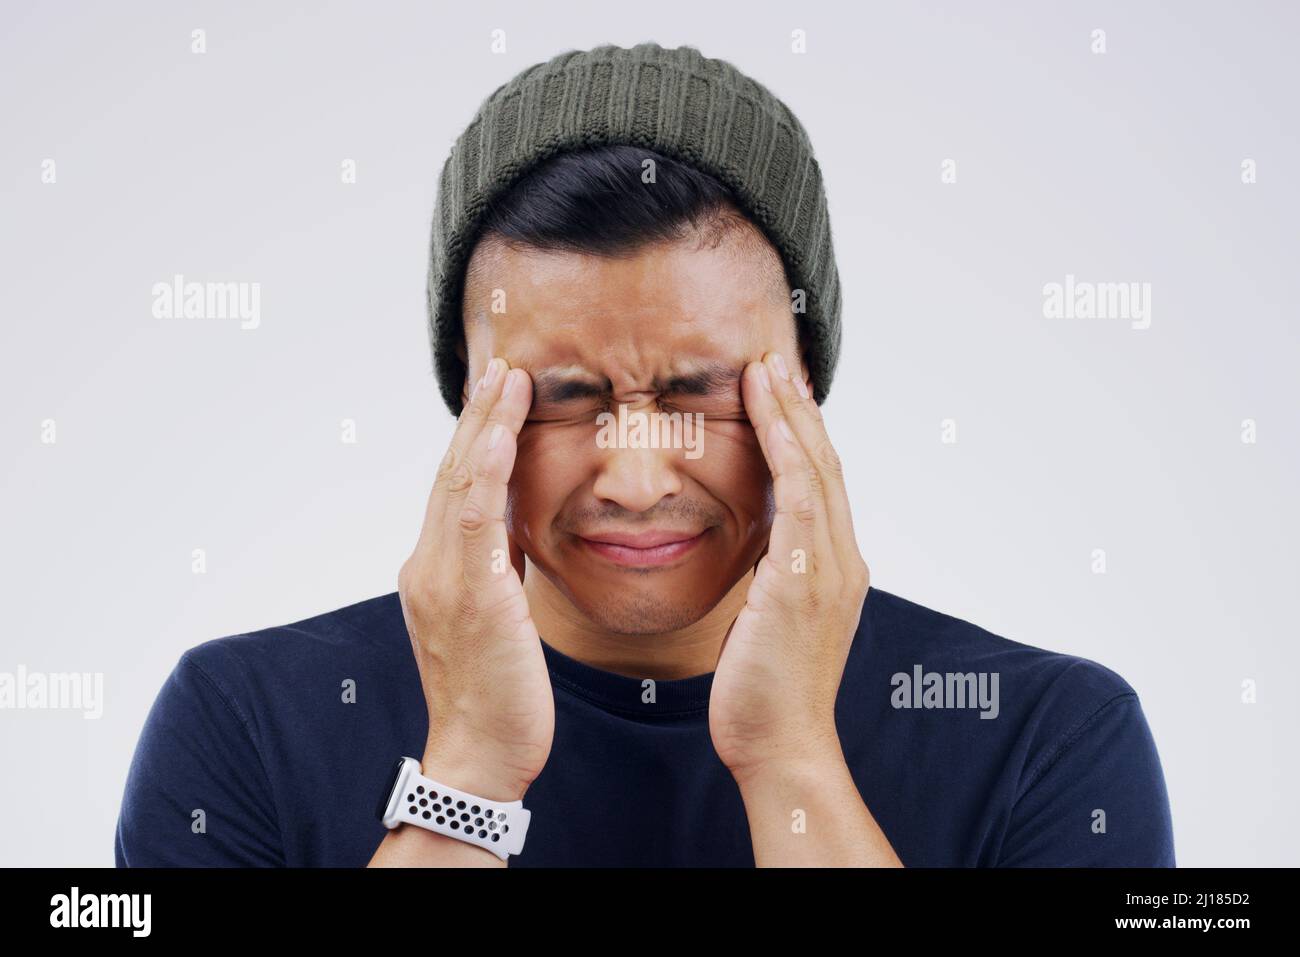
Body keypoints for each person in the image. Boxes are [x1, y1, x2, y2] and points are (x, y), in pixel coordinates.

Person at [115, 42, 1175, 868]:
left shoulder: (1048, 739)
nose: (633, 478)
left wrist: (791, 757)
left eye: (698, 393)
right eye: (562, 398)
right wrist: (474, 766)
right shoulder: (243, 724)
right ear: (467, 407)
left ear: (805, 389)